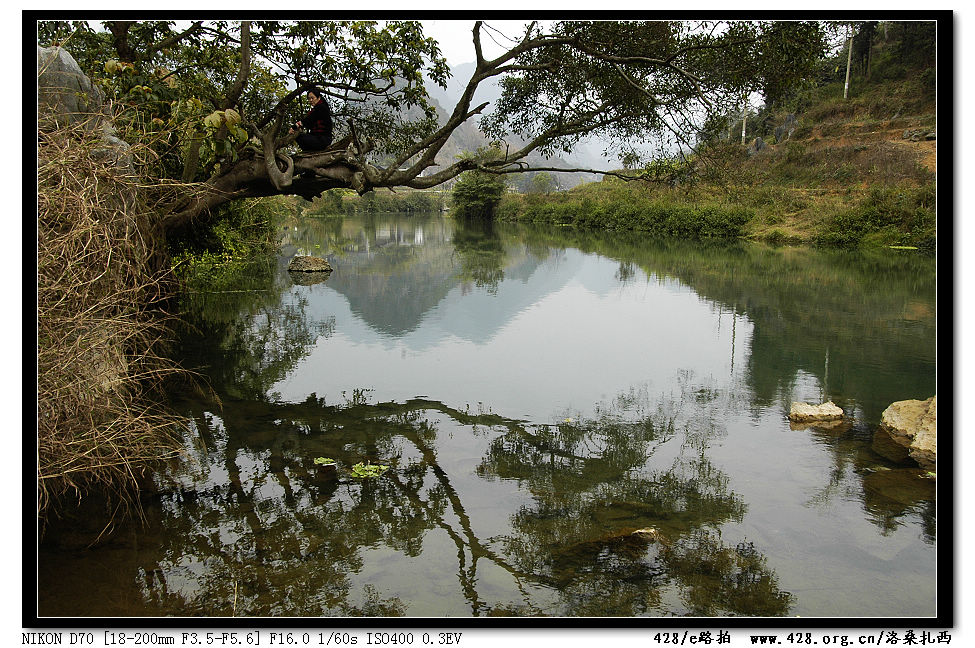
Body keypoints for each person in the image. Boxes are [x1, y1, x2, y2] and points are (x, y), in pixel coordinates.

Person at [292, 87, 333, 152]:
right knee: (301, 136)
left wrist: (294, 127)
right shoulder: (318, 108)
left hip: (323, 139)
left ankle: (310, 152)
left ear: (318, 98)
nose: (310, 100)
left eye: (312, 98)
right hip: (319, 137)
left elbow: (307, 121)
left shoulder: (321, 108)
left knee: (300, 137)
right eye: (309, 99)